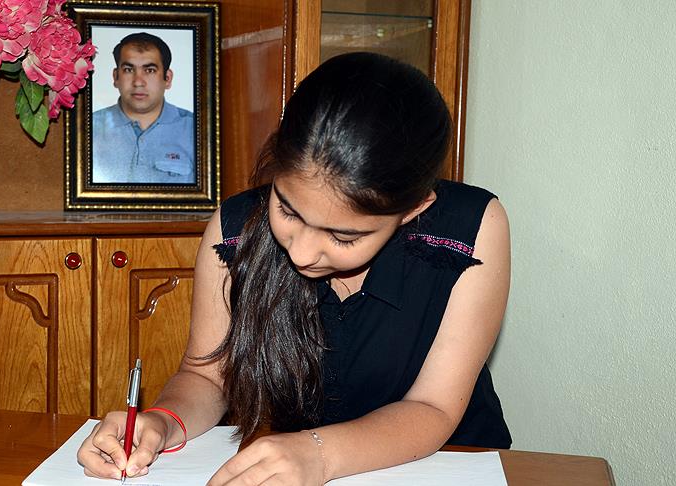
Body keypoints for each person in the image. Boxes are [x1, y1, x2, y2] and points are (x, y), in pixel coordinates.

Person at [78, 52, 512, 485]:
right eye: (287, 209)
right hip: (295, 467)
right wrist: (163, 422)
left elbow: (434, 407)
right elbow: (207, 375)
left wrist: (319, 454)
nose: (302, 254)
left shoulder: (471, 228)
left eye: (343, 237)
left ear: (414, 209)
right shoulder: (234, 229)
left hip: (446, 467)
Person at [91, 32, 195, 184]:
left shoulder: (196, 130)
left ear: (167, 78)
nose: (138, 82)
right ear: (116, 77)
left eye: (149, 70)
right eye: (128, 69)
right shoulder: (89, 129)